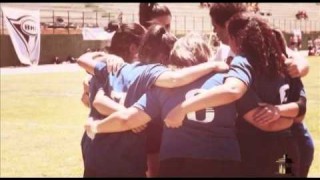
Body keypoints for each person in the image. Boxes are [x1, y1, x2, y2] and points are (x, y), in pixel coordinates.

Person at [162, 10, 306, 177]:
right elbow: (300, 112)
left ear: (237, 39)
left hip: (257, 151)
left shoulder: (243, 62)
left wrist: (182, 108)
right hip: (287, 148)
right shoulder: (286, 64)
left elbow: (259, 117)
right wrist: (283, 115)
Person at [84, 33, 245, 177]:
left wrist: (96, 126)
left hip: (177, 163)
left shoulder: (164, 87)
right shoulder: (227, 79)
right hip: (224, 160)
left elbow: (128, 119)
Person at [79, 22, 146, 177]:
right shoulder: (111, 68)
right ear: (133, 48)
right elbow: (97, 101)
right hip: (119, 153)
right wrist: (131, 116)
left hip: (97, 151)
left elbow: (92, 100)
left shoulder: (105, 68)